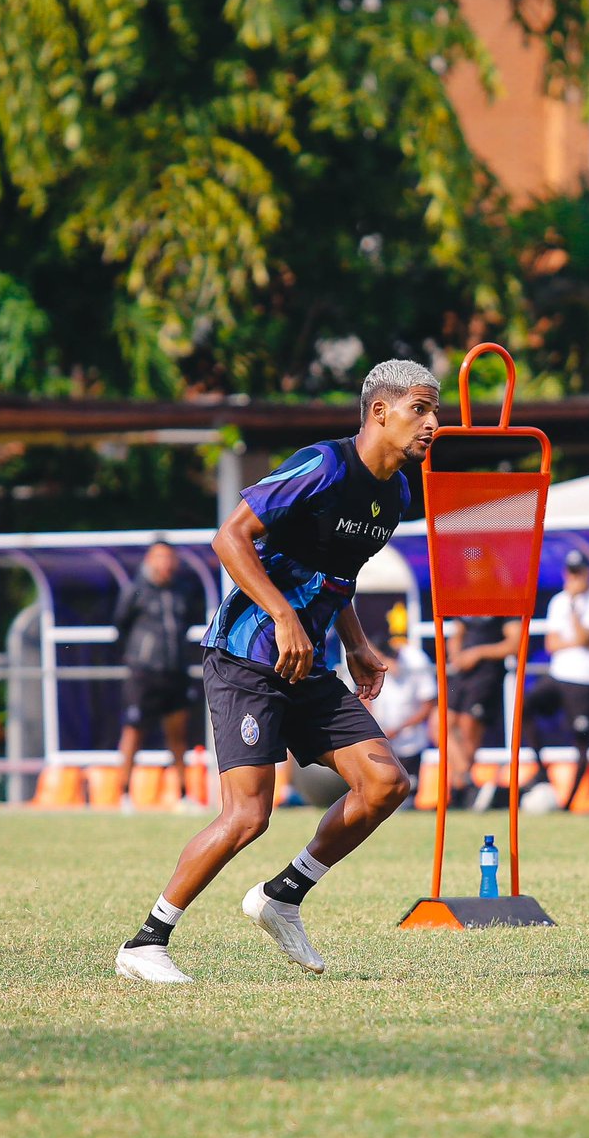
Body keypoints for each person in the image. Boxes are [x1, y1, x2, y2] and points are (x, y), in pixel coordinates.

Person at [115, 358, 440, 983]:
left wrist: (358, 643)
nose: (431, 424)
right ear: (380, 411)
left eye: (434, 413)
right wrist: (285, 617)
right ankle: (145, 943)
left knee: (386, 784)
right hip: (246, 655)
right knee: (248, 816)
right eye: (420, 409)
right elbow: (229, 538)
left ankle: (281, 896)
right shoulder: (323, 464)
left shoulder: (396, 492)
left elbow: (338, 574)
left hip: (306, 662)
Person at [521, 549, 589, 809]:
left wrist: (575, 611)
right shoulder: (557, 601)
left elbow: (585, 637)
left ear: (588, 574)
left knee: (582, 740)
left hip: (584, 679)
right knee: (523, 707)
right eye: (570, 573)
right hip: (559, 674)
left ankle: (570, 802)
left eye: (579, 573)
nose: (574, 578)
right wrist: (585, 642)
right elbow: (552, 644)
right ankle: (542, 770)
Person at [113, 541, 202, 810]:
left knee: (178, 735)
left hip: (175, 672)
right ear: (149, 560)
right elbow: (121, 626)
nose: (165, 563)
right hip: (144, 674)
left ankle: (183, 795)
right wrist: (138, 657)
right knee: (134, 731)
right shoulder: (135, 591)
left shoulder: (182, 592)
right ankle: (124, 795)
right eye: (160, 557)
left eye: (169, 557)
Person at [444, 615, 521, 808]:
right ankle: (465, 782)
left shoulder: (503, 602)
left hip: (487, 675)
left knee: (468, 731)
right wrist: (456, 655)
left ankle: (460, 790)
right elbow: (457, 633)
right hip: (462, 674)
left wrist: (478, 653)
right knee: (440, 724)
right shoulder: (466, 597)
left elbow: (515, 643)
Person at [361, 633, 437, 808]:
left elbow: (428, 703)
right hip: (380, 741)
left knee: (407, 796)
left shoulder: (416, 661)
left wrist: (400, 729)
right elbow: (362, 697)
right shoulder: (366, 662)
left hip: (410, 742)